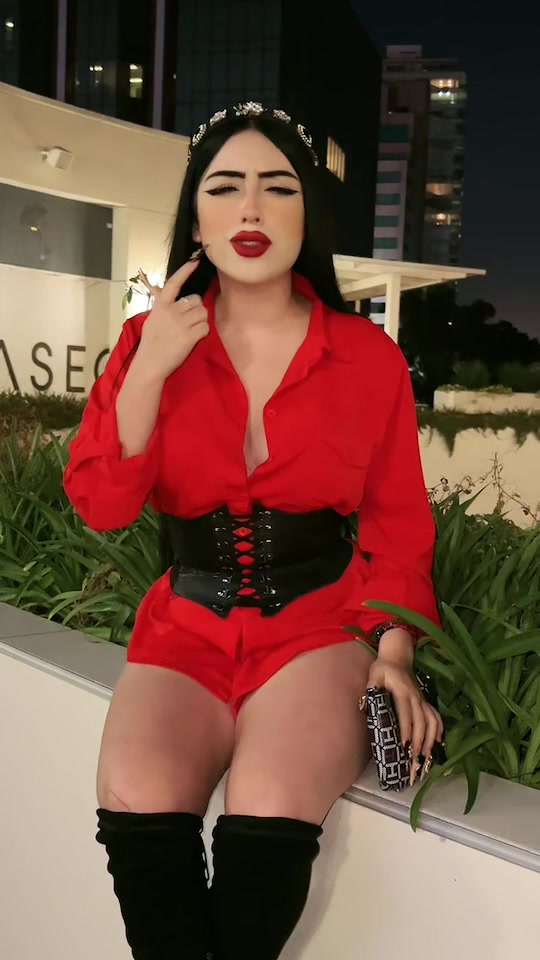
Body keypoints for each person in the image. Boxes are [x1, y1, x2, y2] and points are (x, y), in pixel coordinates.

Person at [64, 102, 443, 960]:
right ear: (195, 216)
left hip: (317, 625)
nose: (250, 209)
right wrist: (149, 371)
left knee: (270, 796)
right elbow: (102, 506)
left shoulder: (367, 357)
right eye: (225, 186)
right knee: (137, 789)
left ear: (307, 215)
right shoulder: (146, 342)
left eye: (278, 188)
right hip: (185, 626)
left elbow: (397, 523)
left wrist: (394, 652)